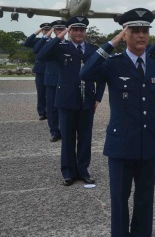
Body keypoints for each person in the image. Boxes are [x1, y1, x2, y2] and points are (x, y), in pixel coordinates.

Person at [80, 8, 155, 237]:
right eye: (135, 31)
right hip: (120, 143)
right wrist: (112, 42)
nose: (141, 36)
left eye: (145, 31)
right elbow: (85, 72)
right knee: (119, 198)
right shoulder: (113, 63)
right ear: (125, 33)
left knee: (144, 197)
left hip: (148, 142)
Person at [37, 16, 105, 186]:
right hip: (66, 99)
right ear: (69, 31)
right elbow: (42, 54)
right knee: (67, 138)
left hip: (87, 100)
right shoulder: (61, 47)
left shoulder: (92, 50)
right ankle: (68, 172)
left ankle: (83, 170)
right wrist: (59, 36)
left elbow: (102, 73)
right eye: (75, 29)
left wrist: (98, 97)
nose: (79, 32)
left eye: (82, 29)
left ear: (85, 32)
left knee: (85, 137)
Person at [34, 20, 64, 142]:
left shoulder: (69, 44)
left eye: (62, 29)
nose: (60, 31)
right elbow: (37, 50)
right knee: (51, 108)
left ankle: (65, 130)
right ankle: (54, 132)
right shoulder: (48, 43)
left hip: (65, 80)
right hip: (51, 79)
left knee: (64, 107)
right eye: (57, 29)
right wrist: (49, 33)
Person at [24, 23, 51, 120]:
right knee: (41, 92)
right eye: (45, 29)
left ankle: (50, 112)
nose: (46, 31)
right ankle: (42, 112)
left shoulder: (54, 41)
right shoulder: (38, 41)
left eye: (48, 29)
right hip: (40, 70)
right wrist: (38, 31)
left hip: (51, 70)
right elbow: (27, 43)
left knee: (51, 93)